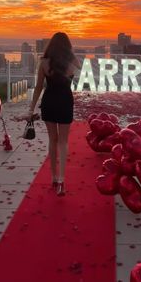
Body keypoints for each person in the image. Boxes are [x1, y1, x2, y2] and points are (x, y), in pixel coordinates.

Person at [27, 32, 80, 196]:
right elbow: (77, 67)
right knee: (63, 141)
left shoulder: (43, 62)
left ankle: (54, 177)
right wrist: (70, 54)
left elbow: (38, 88)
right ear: (67, 46)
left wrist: (31, 108)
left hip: (49, 102)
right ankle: (62, 181)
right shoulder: (71, 61)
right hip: (65, 101)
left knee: (52, 139)